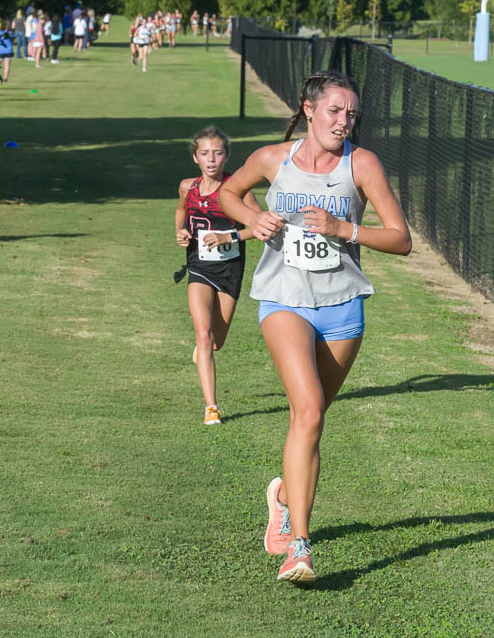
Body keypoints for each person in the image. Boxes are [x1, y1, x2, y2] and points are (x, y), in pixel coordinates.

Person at [218, 70, 411, 583]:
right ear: (308, 109)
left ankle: (283, 494)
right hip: (284, 300)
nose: (344, 122)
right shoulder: (272, 160)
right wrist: (252, 220)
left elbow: (401, 238)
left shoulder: (362, 164)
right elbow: (227, 193)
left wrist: (345, 228)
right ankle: (298, 547)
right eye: (334, 111)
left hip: (343, 307)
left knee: (314, 416)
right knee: (306, 413)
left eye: (351, 114)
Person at [173, 126, 261, 426]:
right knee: (203, 333)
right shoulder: (188, 187)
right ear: (196, 157)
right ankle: (211, 407)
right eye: (205, 154)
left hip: (230, 269)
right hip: (199, 266)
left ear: (226, 157)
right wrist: (181, 232)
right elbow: (181, 210)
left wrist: (229, 237)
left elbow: (262, 228)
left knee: (215, 343)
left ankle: (204, 353)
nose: (212, 159)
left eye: (218, 153)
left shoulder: (238, 191)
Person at [0, 18, 14, 83]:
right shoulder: (11, 32)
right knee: (7, 65)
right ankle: (5, 79)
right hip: (9, 50)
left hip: (0, 50)